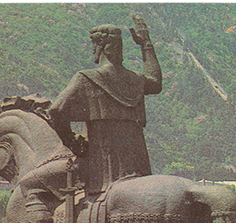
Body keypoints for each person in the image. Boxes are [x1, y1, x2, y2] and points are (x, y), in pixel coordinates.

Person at [48, 15, 162, 196]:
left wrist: (72, 141)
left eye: (94, 45)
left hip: (103, 176)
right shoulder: (136, 80)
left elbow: (56, 110)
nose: (93, 50)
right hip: (138, 169)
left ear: (100, 46)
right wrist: (146, 44)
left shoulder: (86, 79)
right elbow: (155, 83)